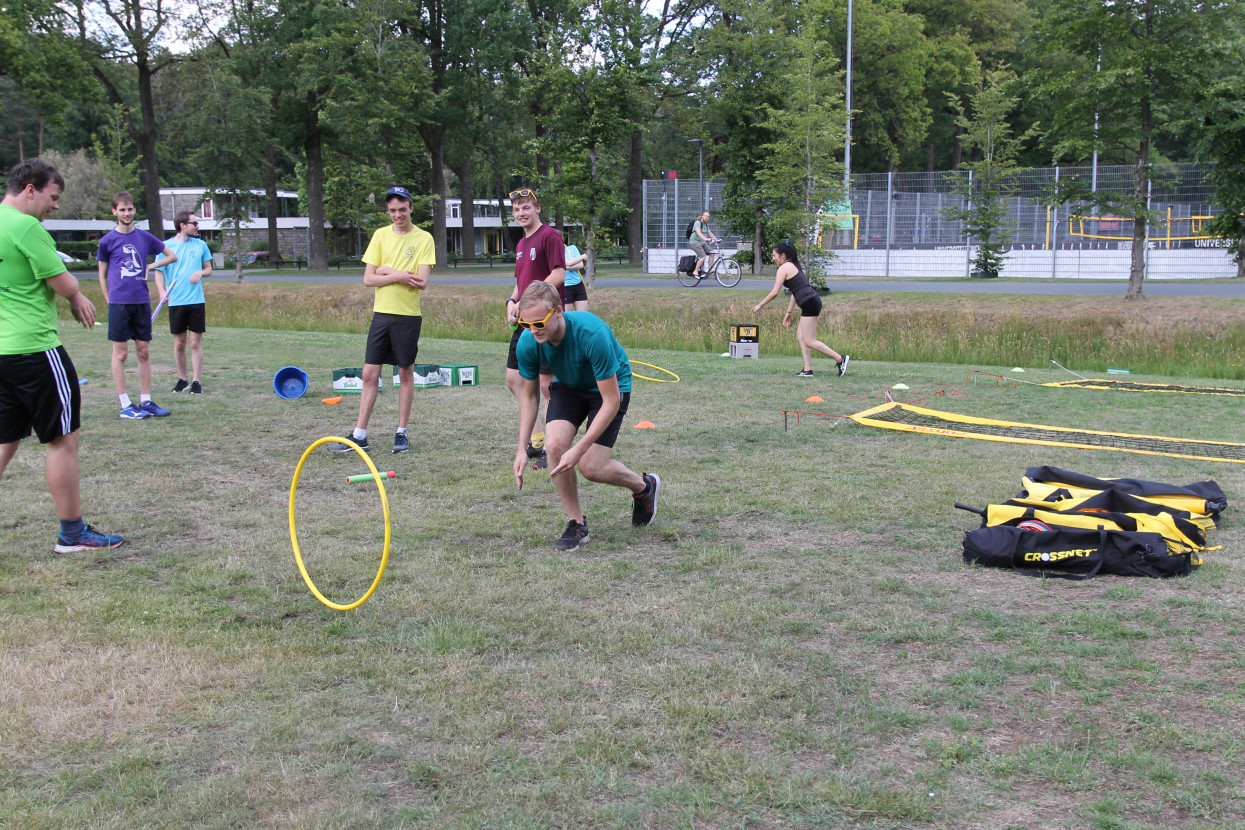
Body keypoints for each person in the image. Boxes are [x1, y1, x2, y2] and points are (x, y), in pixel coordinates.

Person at [0, 158, 124, 552]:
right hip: (35, 350)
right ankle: (72, 534)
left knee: (4, 440)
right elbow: (62, 279)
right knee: (62, 439)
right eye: (53, 197)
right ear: (31, 189)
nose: (56, 206)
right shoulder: (26, 227)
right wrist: (76, 295)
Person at [512, 281, 660, 552]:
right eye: (526, 324)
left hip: (608, 390)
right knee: (555, 446)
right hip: (569, 386)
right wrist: (522, 449)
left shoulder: (592, 333)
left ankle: (644, 487)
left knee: (591, 467)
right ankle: (576, 523)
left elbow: (611, 400)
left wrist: (579, 449)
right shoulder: (528, 342)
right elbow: (530, 397)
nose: (533, 330)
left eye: (539, 323)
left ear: (558, 311)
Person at [330, 186, 434, 455]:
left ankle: (401, 433)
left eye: (402, 209)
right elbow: (368, 279)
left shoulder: (424, 239)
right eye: (392, 210)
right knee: (369, 374)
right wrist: (399, 275)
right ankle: (360, 434)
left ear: (411, 208)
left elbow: (421, 282)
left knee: (404, 373)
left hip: (408, 317)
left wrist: (389, 271)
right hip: (382, 314)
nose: (397, 215)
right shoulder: (379, 236)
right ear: (387, 211)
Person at [97, 191, 178, 419]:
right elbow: (102, 275)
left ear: (134, 210)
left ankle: (146, 401)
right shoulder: (107, 241)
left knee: (143, 352)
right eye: (122, 209)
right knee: (120, 354)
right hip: (119, 304)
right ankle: (125, 405)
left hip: (141, 302)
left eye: (130, 209)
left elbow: (171, 256)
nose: (126, 213)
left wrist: (151, 267)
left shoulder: (144, 237)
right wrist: (109, 301)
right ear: (114, 212)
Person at [504, 187, 566, 468]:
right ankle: (538, 439)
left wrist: (531, 298)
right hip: (524, 320)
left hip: (544, 320)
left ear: (537, 209)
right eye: (516, 209)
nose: (521, 213)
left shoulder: (549, 236)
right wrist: (512, 301)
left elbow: (559, 273)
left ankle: (555, 445)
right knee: (514, 379)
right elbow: (520, 281)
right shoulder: (520, 245)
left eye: (526, 207)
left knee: (545, 384)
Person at [752, 240, 849, 378]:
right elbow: (794, 293)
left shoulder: (784, 268)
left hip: (810, 303)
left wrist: (760, 305)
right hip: (811, 302)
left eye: (775, 255)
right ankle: (807, 370)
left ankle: (840, 359)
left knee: (809, 340)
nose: (773, 258)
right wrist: (789, 312)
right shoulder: (793, 266)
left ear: (783, 256)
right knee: (801, 336)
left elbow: (775, 292)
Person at [152, 211, 213, 394]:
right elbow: (158, 271)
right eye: (195, 223)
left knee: (195, 343)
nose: (197, 226)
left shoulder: (201, 245)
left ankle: (196, 382)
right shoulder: (165, 247)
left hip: (196, 301)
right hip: (176, 302)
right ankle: (182, 379)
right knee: (179, 344)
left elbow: (209, 268)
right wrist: (162, 291)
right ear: (182, 225)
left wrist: (201, 273)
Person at [688, 210, 719, 277]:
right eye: (705, 216)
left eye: (708, 216)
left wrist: (716, 240)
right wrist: (705, 238)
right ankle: (695, 271)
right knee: (703, 256)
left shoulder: (705, 224)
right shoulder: (697, 222)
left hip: (702, 242)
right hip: (695, 243)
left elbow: (710, 233)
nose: (707, 217)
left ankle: (710, 270)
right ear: (702, 216)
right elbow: (698, 232)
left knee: (712, 253)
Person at [563, 242, 589, 311]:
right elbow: (569, 263)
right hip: (565, 286)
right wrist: (582, 257)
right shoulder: (554, 252)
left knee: (583, 315)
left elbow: (580, 265)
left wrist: (564, 267)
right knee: (568, 316)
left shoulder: (572, 248)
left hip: (578, 284)